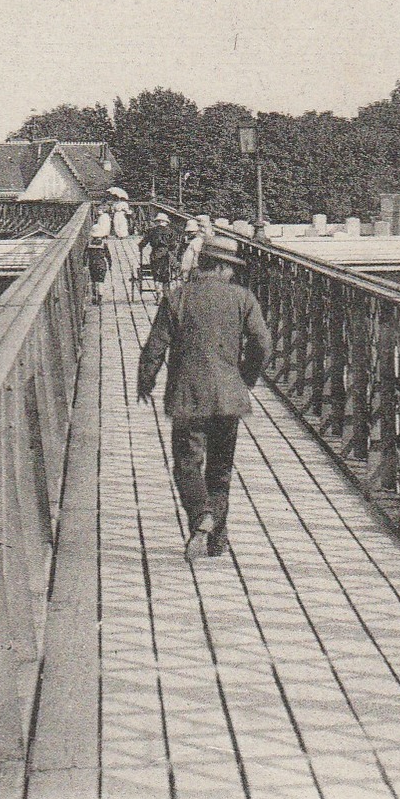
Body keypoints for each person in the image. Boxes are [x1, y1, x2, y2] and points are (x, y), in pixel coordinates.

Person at [137, 233, 271, 559]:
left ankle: (202, 517)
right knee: (221, 468)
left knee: (187, 464)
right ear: (224, 267)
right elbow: (262, 345)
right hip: (228, 396)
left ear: (201, 263)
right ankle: (215, 538)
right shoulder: (243, 298)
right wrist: (246, 379)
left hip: (188, 396)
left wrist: (146, 380)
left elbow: (156, 346)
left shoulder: (177, 297)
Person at [139, 212, 179, 298]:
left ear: (158, 221)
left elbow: (142, 244)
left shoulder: (151, 231)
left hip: (155, 254)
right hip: (166, 255)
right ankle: (166, 295)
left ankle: (158, 295)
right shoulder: (171, 232)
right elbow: (173, 246)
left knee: (156, 276)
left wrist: (141, 247)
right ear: (165, 222)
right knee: (166, 276)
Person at [86, 236, 110, 304]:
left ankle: (93, 296)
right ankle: (99, 298)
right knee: (100, 282)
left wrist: (85, 265)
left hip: (92, 265)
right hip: (101, 265)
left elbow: (85, 255)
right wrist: (110, 264)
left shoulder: (89, 244)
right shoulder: (103, 244)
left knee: (93, 281)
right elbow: (108, 255)